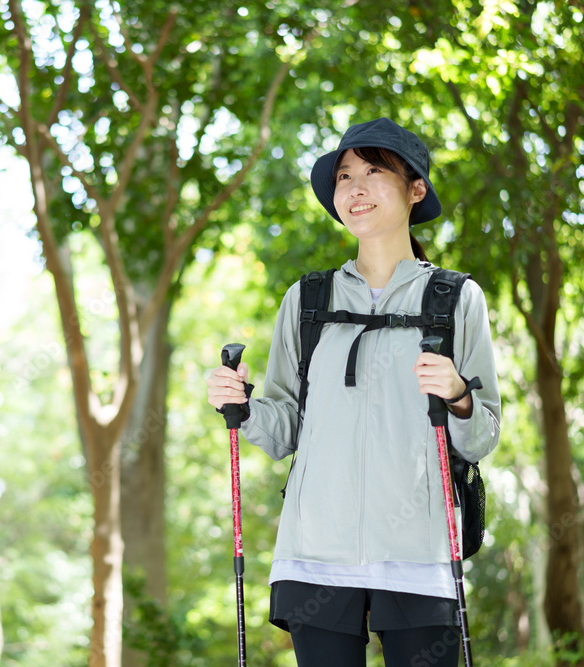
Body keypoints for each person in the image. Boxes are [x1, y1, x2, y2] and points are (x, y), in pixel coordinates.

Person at [206, 117, 500, 666]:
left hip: (419, 553)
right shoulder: (308, 299)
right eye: (344, 176)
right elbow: (282, 429)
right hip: (315, 555)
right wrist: (241, 406)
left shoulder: (457, 298)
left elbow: (482, 436)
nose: (355, 188)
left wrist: (460, 394)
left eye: (373, 171)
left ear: (416, 189)